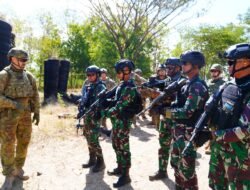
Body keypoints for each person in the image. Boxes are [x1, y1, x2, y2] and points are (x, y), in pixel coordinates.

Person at [206, 43, 250, 190]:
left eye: (231, 62)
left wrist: (215, 135)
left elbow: (245, 130)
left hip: (241, 159)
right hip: (219, 152)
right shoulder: (228, 86)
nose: (228, 65)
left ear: (245, 62)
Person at [164, 51, 209, 189]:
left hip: (189, 134)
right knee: (176, 165)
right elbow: (178, 105)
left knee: (187, 170)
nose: (182, 66)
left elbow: (187, 112)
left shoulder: (197, 86)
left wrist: (166, 113)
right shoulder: (186, 83)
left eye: (185, 63)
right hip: (179, 132)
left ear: (195, 66)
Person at [0, 48, 40, 190]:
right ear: (12, 58)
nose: (24, 63)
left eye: (25, 60)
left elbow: (35, 94)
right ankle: (8, 175)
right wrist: (14, 104)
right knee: (8, 145)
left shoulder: (29, 76)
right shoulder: (4, 76)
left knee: (24, 142)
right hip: (8, 117)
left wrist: (37, 111)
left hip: (25, 115)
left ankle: (18, 169)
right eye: (21, 60)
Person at [149, 57, 185, 181]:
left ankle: (179, 179)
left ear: (178, 68)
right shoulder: (167, 81)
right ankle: (162, 171)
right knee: (163, 145)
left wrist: (163, 102)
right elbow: (162, 95)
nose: (167, 70)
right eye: (166, 67)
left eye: (170, 68)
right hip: (166, 118)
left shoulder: (183, 81)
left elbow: (179, 102)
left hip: (177, 121)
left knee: (177, 151)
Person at [105, 59, 138, 188]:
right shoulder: (121, 85)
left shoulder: (129, 87)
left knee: (124, 149)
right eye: (117, 72)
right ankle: (120, 168)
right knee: (116, 144)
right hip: (117, 121)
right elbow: (115, 100)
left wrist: (104, 113)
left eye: (119, 72)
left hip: (123, 122)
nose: (117, 74)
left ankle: (126, 175)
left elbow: (119, 106)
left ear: (126, 71)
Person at [79, 65, 106, 173]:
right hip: (87, 115)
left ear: (98, 75)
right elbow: (84, 99)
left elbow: (102, 102)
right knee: (88, 136)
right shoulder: (88, 86)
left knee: (94, 138)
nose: (90, 77)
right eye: (88, 75)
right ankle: (92, 158)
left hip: (95, 116)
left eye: (92, 74)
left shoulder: (101, 87)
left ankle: (101, 161)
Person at [205, 63, 226, 154]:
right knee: (209, 127)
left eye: (215, 71)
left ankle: (213, 145)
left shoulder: (224, 83)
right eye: (212, 71)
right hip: (208, 108)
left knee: (214, 128)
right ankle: (209, 142)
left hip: (217, 109)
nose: (213, 73)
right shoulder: (208, 82)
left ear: (219, 72)